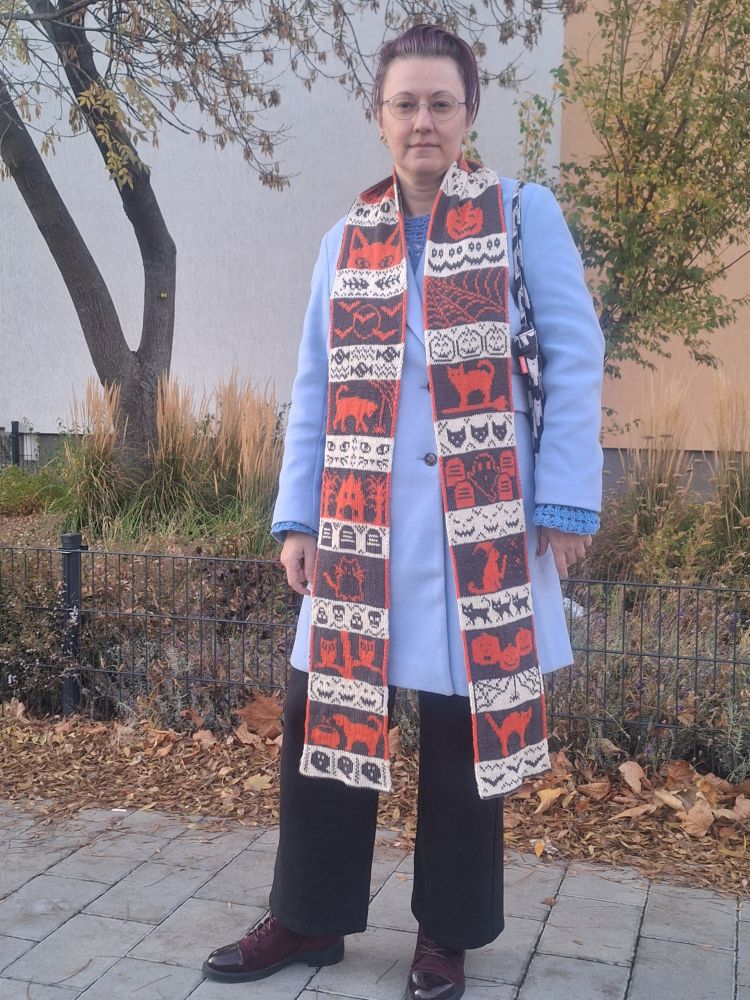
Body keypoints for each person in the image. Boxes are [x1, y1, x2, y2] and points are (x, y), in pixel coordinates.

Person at [203, 23, 603, 1000]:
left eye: (441, 103)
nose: (422, 121)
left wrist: (561, 498)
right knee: (319, 714)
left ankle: (447, 935)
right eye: (404, 103)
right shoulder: (348, 239)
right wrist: (298, 516)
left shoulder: (521, 214)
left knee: (464, 731)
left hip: (481, 525)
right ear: (380, 118)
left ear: (468, 114)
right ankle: (308, 915)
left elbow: (576, 349)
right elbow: (316, 378)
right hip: (359, 518)